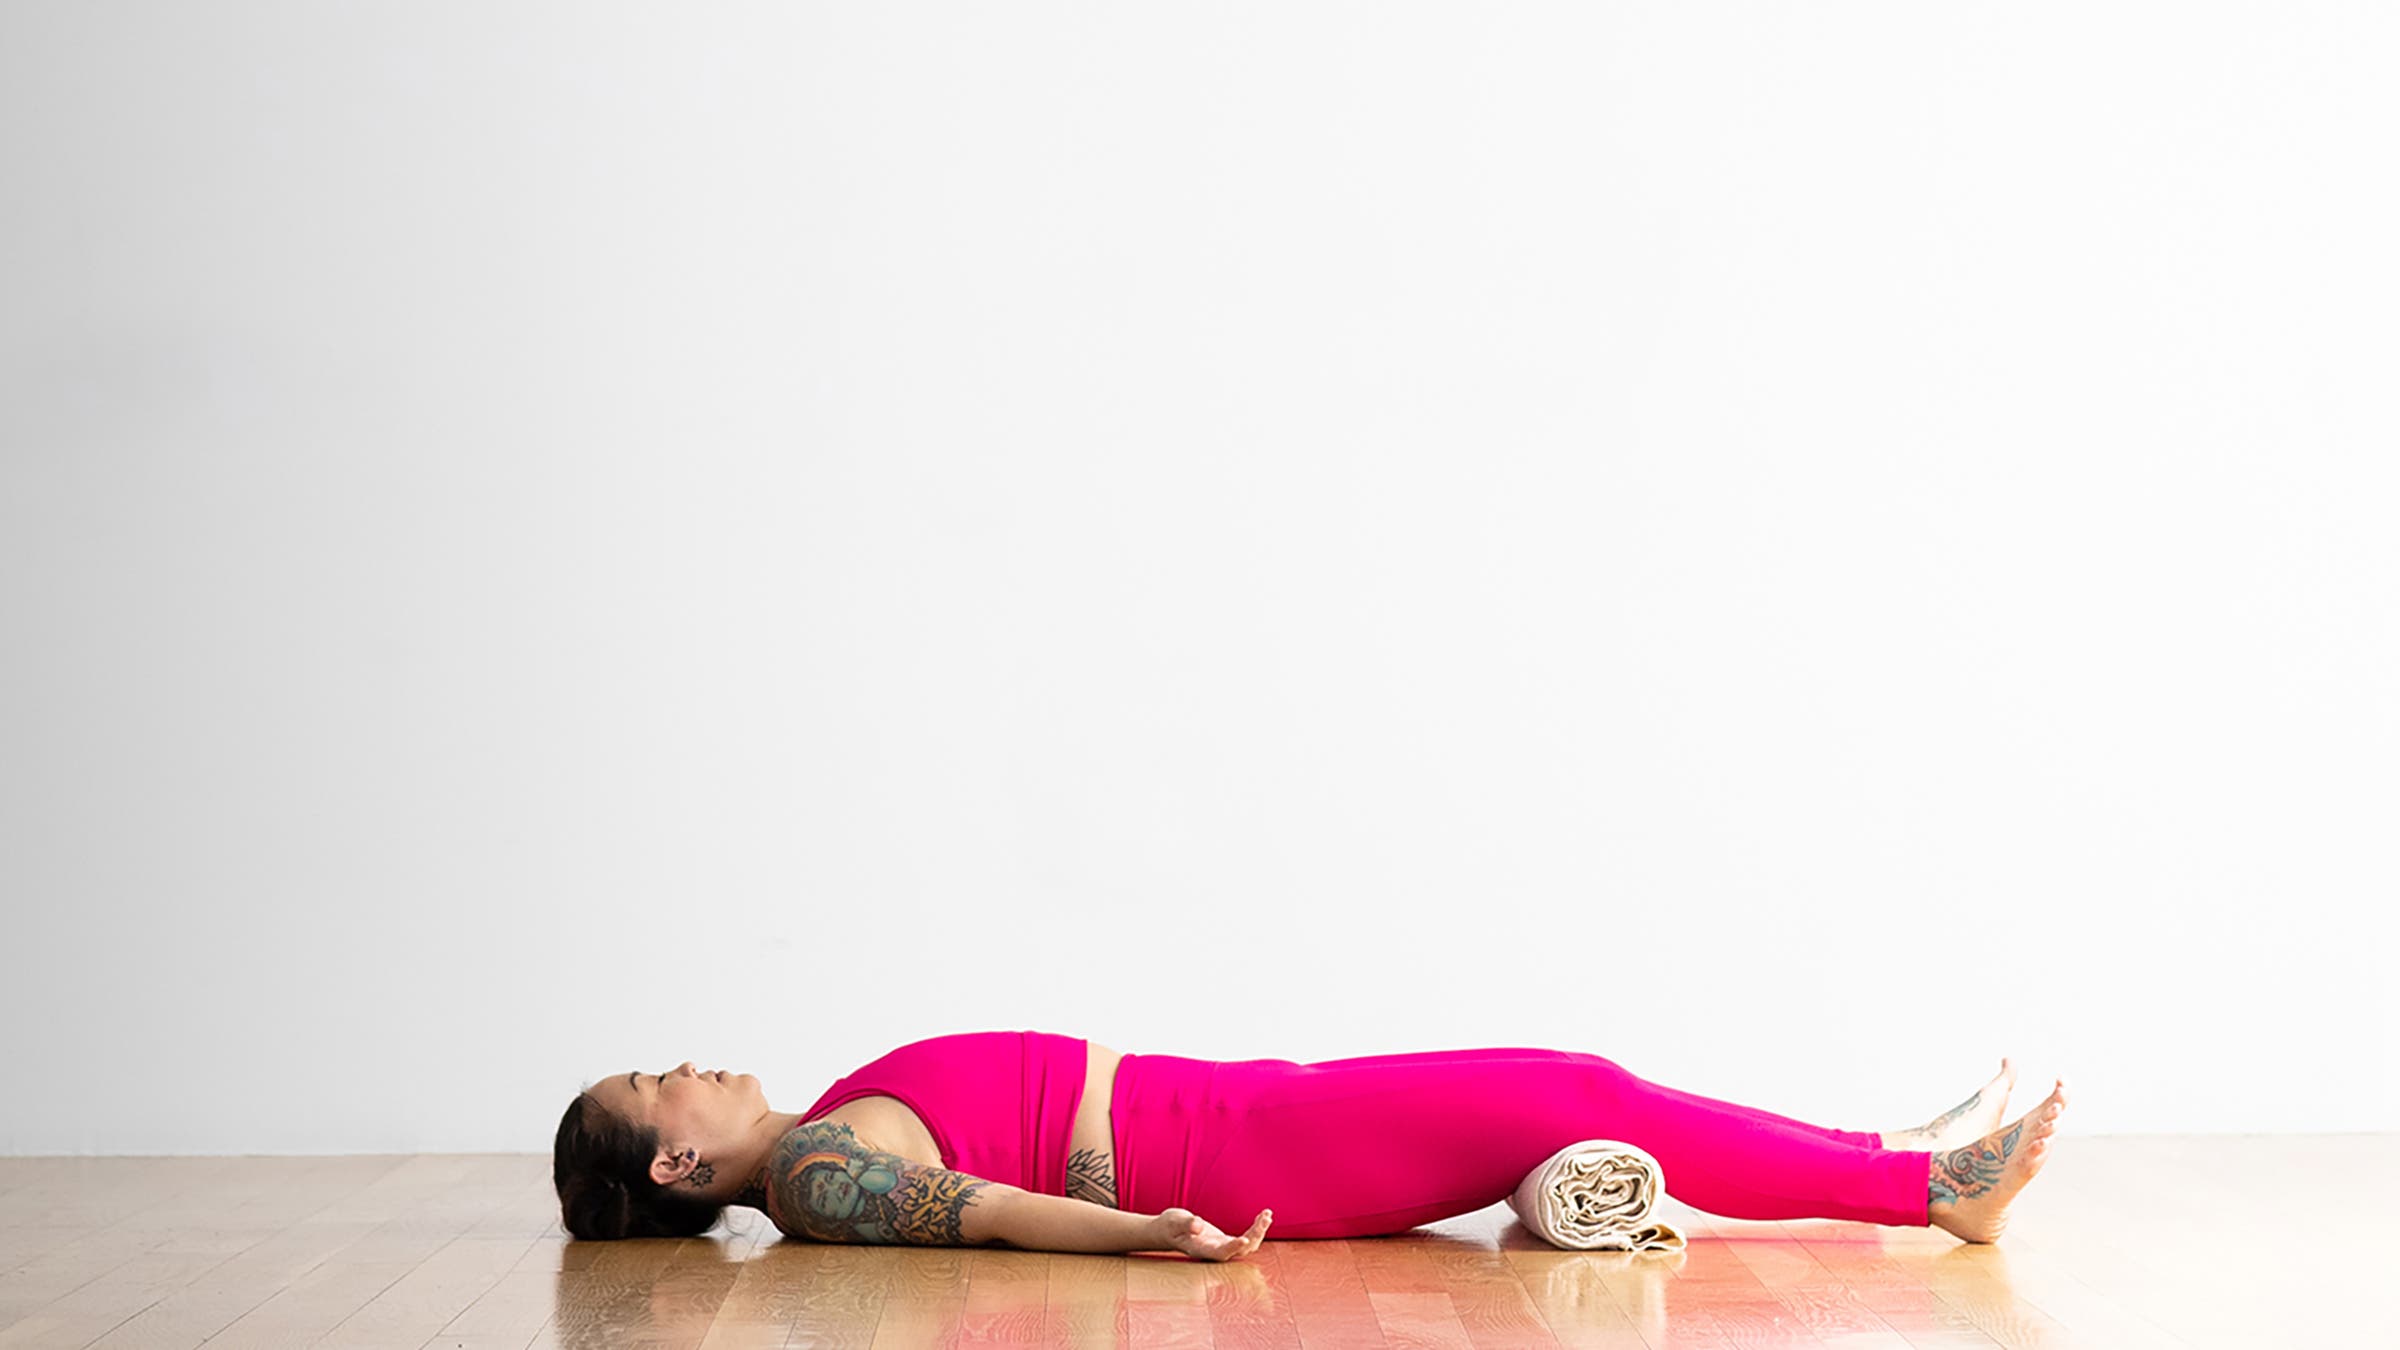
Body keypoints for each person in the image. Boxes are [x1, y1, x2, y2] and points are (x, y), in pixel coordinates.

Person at [552, 1029, 2068, 1259]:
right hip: (1227, 1157)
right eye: (654, 1084)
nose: (685, 1065)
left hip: (1227, 1107)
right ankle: (1927, 1193)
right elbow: (1000, 1213)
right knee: (1565, 1094)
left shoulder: (822, 1119)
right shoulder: (821, 1177)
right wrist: (1154, 1234)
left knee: (1574, 1076)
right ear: (675, 1164)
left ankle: (1881, 1145)